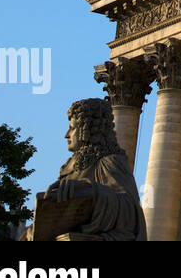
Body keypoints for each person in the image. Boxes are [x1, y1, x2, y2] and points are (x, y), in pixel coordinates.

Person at [35, 98, 146, 241]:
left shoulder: (109, 162)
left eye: (72, 128)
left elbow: (129, 210)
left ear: (86, 128)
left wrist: (92, 190)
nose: (67, 135)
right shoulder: (70, 167)